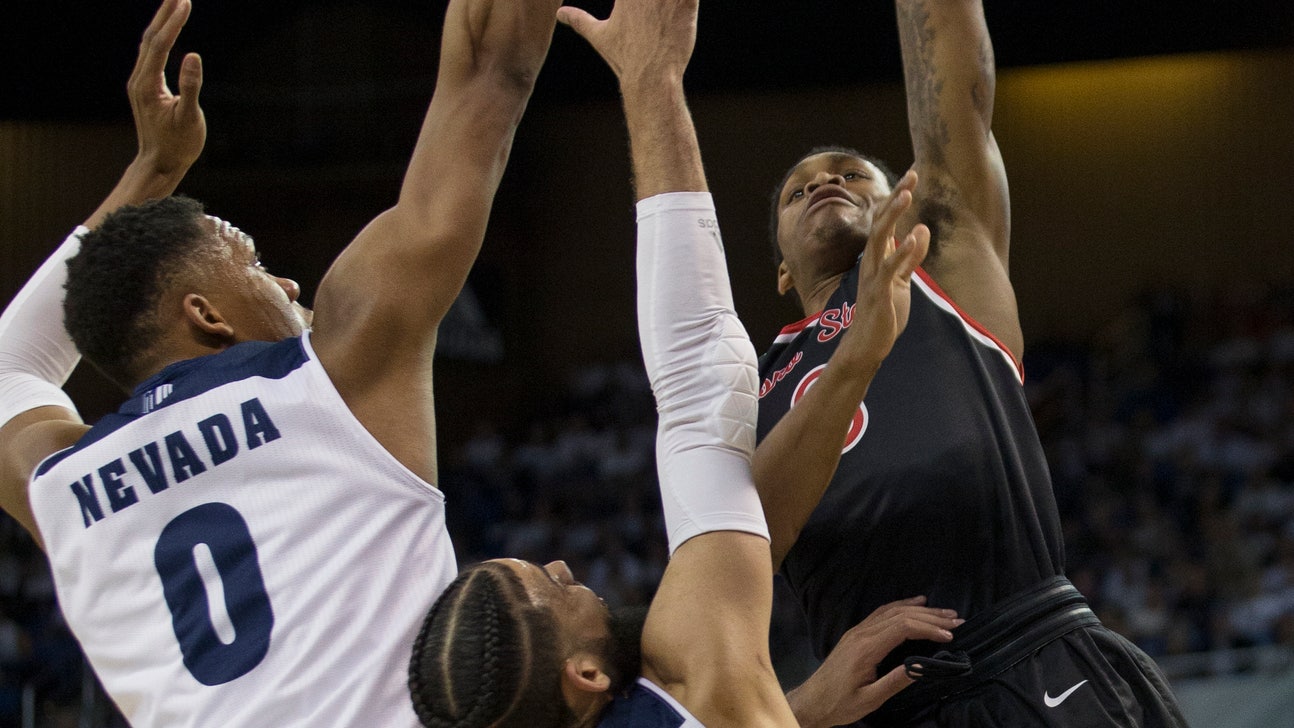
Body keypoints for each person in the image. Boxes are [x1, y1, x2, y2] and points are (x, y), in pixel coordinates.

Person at [0, 0, 561, 725]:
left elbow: (14, 360)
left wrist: (153, 170)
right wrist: (154, 170)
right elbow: (492, 68)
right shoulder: (333, 380)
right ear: (206, 314)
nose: (289, 284)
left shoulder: (61, 486)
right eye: (256, 263)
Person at [407, 2, 957, 727]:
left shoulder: (693, 697)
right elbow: (700, 376)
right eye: (549, 589)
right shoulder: (684, 662)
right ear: (583, 673)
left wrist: (791, 711)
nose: (566, 571)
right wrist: (652, 77)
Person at [753, 1, 1189, 725]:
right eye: (800, 190)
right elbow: (721, 574)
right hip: (883, 702)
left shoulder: (943, 267)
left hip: (1034, 659)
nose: (826, 182)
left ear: (907, 205)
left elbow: (955, 82)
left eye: (855, 176)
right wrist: (796, 709)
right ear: (778, 272)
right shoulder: (748, 380)